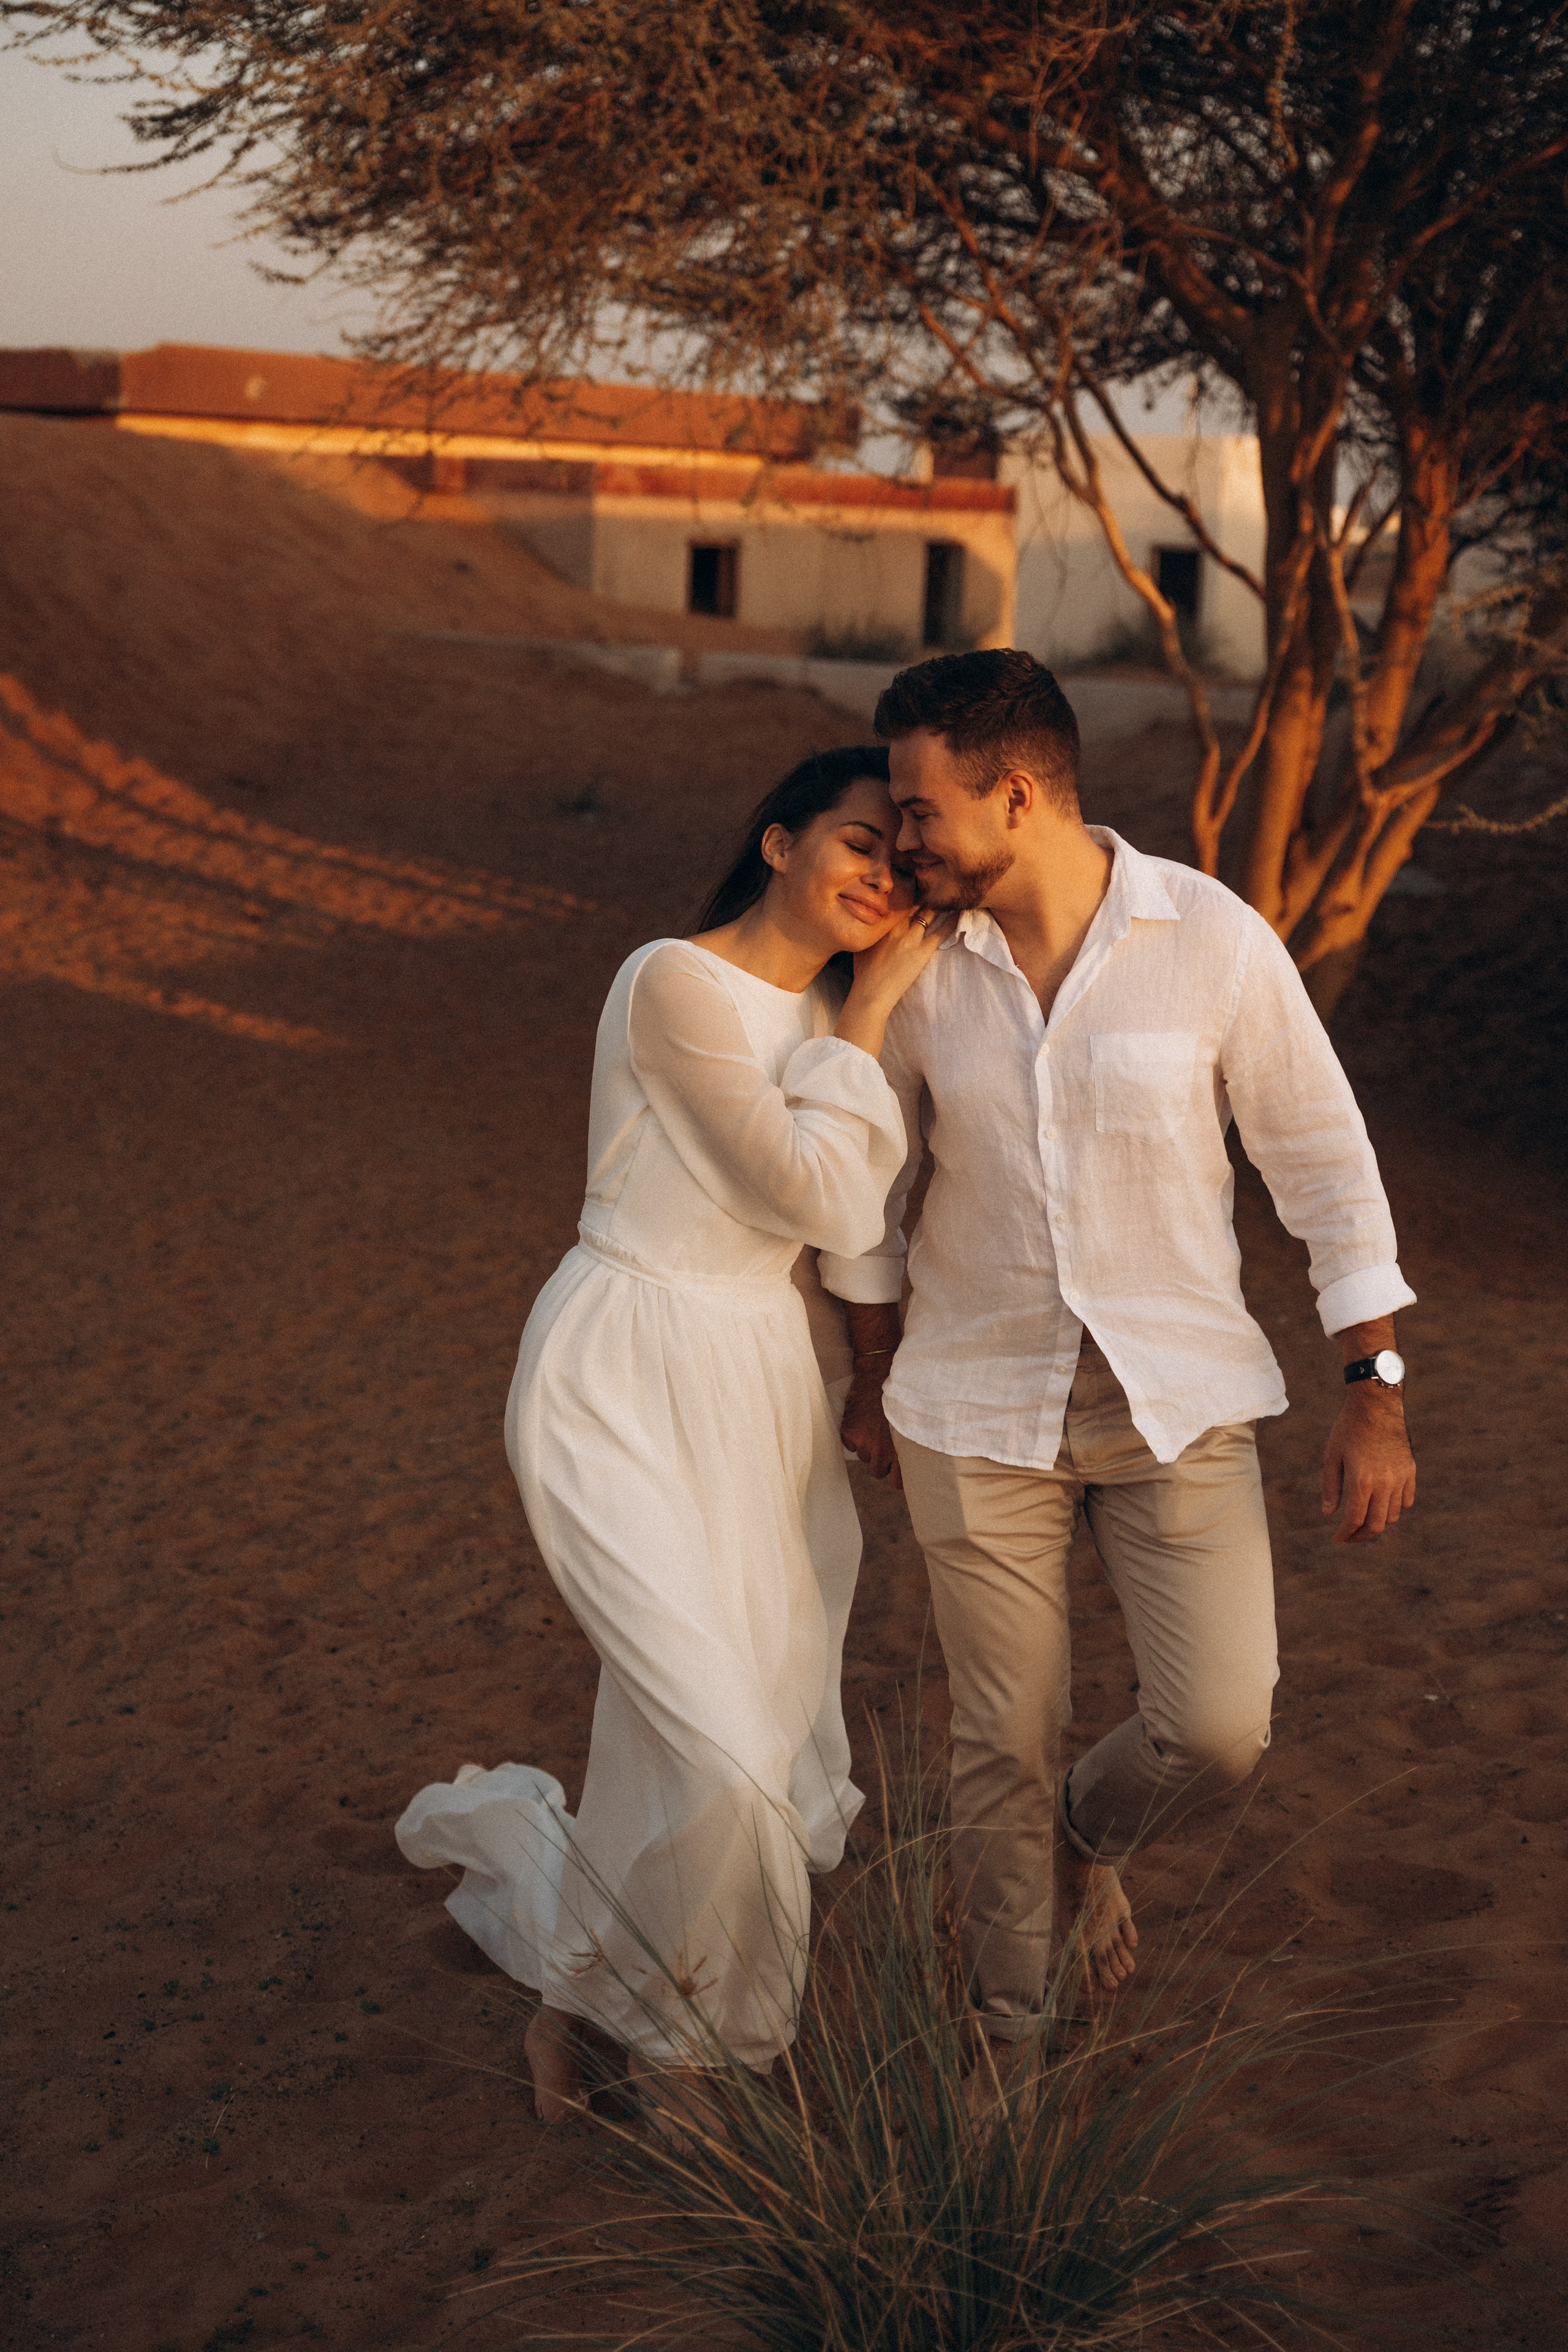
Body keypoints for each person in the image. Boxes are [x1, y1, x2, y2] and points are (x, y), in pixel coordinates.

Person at [821, 650, 1417, 2066]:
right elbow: (865, 1193)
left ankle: (1087, 1840)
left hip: (1178, 1403)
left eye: (920, 810)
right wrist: (871, 1370)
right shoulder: (916, 967)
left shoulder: (1207, 938)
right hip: (971, 1404)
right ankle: (1003, 2059)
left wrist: (1372, 1391)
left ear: (1015, 797)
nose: (901, 839)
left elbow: (1323, 1168)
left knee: (1216, 1727)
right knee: (998, 1744)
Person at [396, 746, 949, 2128]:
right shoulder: (673, 984)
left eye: (902, 862)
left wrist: (868, 1376)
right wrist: (872, 1012)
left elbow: (846, 1234)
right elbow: (815, 1188)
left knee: (685, 1735)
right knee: (723, 1750)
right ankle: (693, 2061)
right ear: (778, 843)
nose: (881, 879)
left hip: (758, 1382)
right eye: (858, 843)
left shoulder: (829, 1013)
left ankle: (572, 2005)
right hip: (618, 1367)